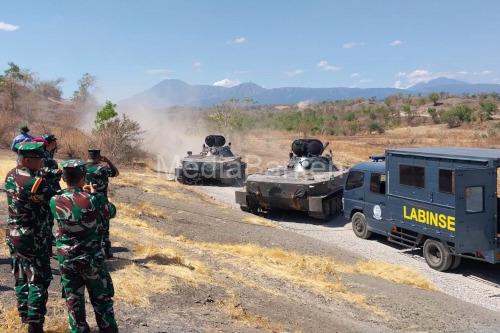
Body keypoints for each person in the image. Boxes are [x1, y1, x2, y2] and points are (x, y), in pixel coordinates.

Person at [50, 160, 118, 333]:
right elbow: (111, 212)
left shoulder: (55, 199)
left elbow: (72, 204)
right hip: (91, 259)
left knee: (73, 301)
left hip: (67, 260)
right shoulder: (94, 199)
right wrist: (97, 194)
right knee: (102, 301)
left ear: (64, 178)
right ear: (83, 177)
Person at [4, 142, 56, 333]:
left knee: (21, 276)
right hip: (33, 236)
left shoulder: (11, 175)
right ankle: (35, 324)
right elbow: (54, 200)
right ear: (27, 159)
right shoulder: (36, 182)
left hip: (14, 234)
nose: (42, 162)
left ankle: (25, 314)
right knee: (38, 279)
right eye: (38, 159)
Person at [85, 149, 119, 258]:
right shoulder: (102, 168)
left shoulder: (81, 167)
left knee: (87, 225)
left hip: (85, 200)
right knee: (104, 227)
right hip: (100, 201)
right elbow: (116, 173)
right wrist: (108, 161)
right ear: (99, 157)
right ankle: (106, 251)